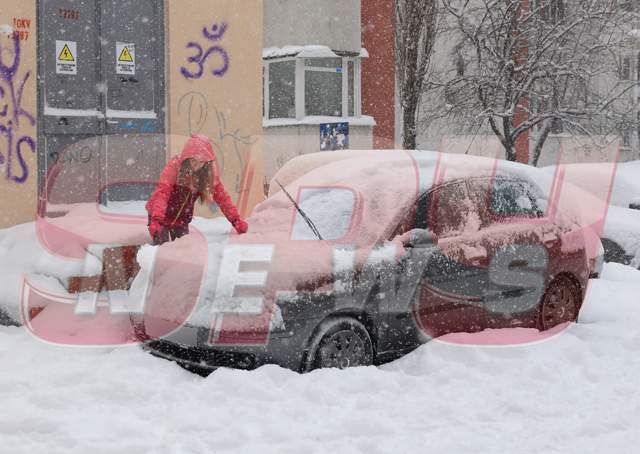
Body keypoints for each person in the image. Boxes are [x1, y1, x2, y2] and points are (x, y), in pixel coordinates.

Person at [146, 134, 248, 245]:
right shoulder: (175, 167)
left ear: (206, 162)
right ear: (187, 158)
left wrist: (236, 221)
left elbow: (223, 199)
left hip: (181, 220)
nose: (196, 166)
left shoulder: (207, 176)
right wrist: (156, 220)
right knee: (162, 247)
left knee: (183, 249)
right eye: (193, 161)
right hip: (160, 215)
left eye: (201, 163)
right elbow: (162, 193)